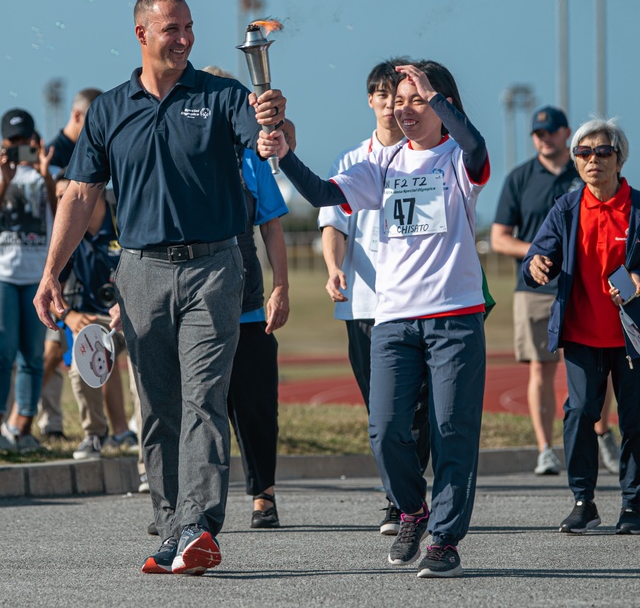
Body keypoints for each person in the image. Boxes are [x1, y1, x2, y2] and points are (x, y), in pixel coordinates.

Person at [32, 0, 287, 576]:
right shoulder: (109, 110)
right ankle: (171, 529)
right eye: (172, 29)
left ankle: (199, 527)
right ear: (142, 34)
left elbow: (264, 133)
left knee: (203, 396)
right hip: (140, 270)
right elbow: (80, 194)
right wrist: (52, 273)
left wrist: (274, 126)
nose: (185, 38)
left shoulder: (223, 96)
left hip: (215, 268)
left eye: (190, 28)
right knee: (158, 406)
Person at [259, 61, 488, 579]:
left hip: (453, 317)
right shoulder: (383, 165)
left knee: (452, 429)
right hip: (392, 320)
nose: (405, 110)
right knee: (385, 431)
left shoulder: (458, 159)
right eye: (400, 100)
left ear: (443, 104)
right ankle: (412, 510)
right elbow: (322, 194)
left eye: (418, 100)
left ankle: (445, 541)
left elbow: (475, 147)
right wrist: (285, 154)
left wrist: (440, 100)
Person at [522, 117, 640, 536]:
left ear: (619, 157)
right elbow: (538, 254)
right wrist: (536, 264)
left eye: (603, 152)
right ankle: (583, 501)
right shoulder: (567, 208)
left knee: (634, 422)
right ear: (576, 161)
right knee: (578, 414)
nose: (593, 159)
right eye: (584, 152)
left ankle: (632, 506)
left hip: (633, 339)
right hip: (580, 335)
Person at [317, 58, 431, 535]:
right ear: (371, 101)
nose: (390, 104)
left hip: (416, 301)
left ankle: (409, 497)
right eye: (383, 96)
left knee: (421, 407)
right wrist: (331, 269)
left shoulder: (423, 156)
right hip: (364, 304)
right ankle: (399, 500)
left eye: (399, 96)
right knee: (380, 409)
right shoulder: (351, 161)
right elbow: (333, 223)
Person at [491, 107, 622, 476]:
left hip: (583, 286)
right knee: (540, 369)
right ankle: (545, 449)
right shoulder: (519, 178)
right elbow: (499, 238)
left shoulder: (586, 169)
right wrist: (539, 251)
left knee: (599, 366)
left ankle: (601, 433)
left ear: (567, 134)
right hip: (533, 289)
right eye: (537, 133)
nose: (543, 138)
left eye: (550, 131)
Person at [205, 63, 292, 530]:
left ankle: (264, 494)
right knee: (196, 405)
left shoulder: (251, 159)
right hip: (194, 303)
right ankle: (185, 503)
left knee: (255, 405)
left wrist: (281, 286)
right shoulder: (181, 155)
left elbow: (272, 226)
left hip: (247, 303)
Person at [0, 109, 57, 453]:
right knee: (1, 352)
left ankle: (24, 431)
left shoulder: (47, 175)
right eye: (13, 142)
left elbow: (60, 216)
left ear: (36, 142)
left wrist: (47, 176)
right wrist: (5, 180)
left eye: (26, 142)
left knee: (33, 356)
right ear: (2, 144)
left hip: (35, 277)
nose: (20, 148)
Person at [45, 174, 136, 460]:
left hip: (133, 313)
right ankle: (95, 434)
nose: (60, 203)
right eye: (57, 197)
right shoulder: (67, 235)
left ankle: (147, 451)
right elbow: (48, 293)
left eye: (65, 195)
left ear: (89, 192)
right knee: (83, 356)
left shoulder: (124, 217)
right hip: (91, 319)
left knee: (143, 378)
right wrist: (69, 317)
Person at [31, 88, 103, 441]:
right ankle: (26, 418)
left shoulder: (93, 146)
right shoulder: (54, 154)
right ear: (77, 116)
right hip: (60, 261)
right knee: (51, 350)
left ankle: (106, 428)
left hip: (88, 259)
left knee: (69, 348)